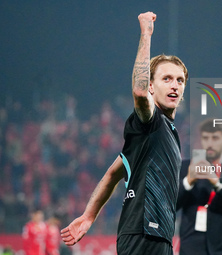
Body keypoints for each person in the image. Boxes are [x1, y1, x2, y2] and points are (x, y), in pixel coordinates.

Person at [61, 11, 188, 255]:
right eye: (167, 78)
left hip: (157, 236)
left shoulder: (165, 133)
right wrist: (146, 34)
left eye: (180, 80)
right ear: (152, 86)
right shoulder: (150, 121)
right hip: (143, 234)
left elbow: (112, 174)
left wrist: (89, 216)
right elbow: (140, 94)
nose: (175, 85)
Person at [177, 119, 222, 255]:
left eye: (215, 138)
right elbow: (171, 205)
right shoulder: (186, 167)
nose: (210, 143)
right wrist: (188, 181)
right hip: (191, 249)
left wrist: (218, 184)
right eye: (206, 138)